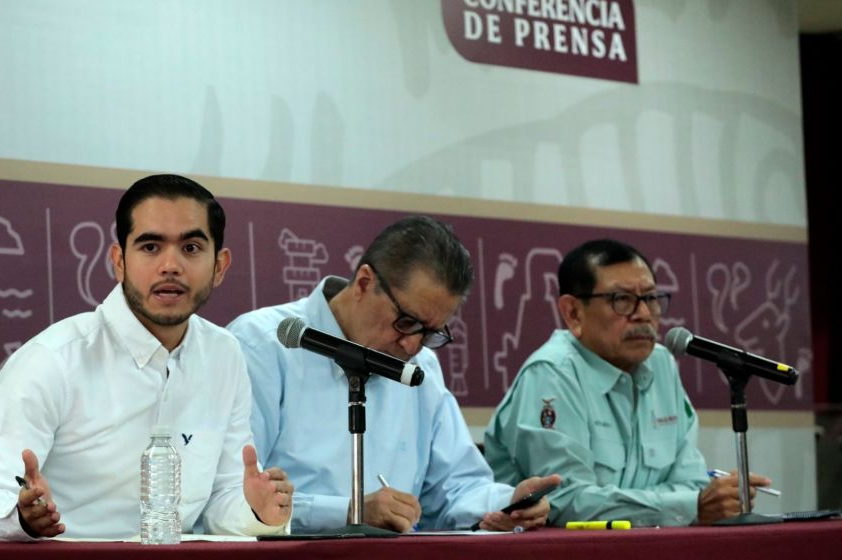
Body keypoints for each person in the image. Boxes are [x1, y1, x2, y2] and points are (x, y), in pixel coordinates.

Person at [0, 175, 293, 540]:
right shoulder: (52, 360)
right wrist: (22, 518)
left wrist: (258, 511)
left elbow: (222, 499)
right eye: (151, 247)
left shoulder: (224, 354)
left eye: (190, 248)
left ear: (219, 266)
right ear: (119, 261)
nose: (170, 265)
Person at [228, 215, 559, 533]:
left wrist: (507, 503)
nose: (413, 345)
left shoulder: (421, 368)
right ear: (364, 283)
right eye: (407, 322)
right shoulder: (263, 345)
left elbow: (456, 488)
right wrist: (349, 511)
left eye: (430, 333)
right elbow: (233, 496)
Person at [484, 239, 771, 527]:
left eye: (650, 298)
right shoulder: (552, 373)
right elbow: (566, 503)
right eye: (621, 299)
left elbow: (691, 482)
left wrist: (688, 503)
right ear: (573, 312)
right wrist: (688, 506)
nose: (644, 314)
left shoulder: (661, 364)